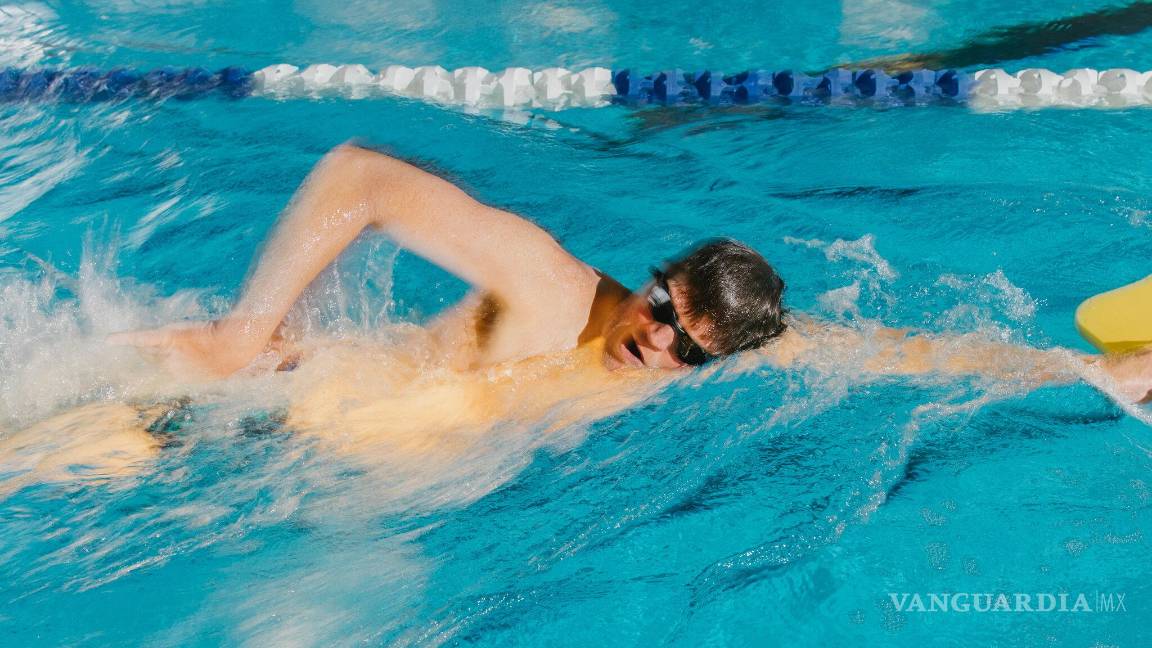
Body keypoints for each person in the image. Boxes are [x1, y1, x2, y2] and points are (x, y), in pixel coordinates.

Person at [109, 143, 1152, 406]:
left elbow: (917, 357)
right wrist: (247, 332)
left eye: (685, 346)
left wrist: (1099, 373)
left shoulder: (723, 359)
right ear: (652, 279)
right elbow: (360, 176)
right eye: (660, 308)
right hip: (261, 408)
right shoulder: (549, 284)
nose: (653, 339)